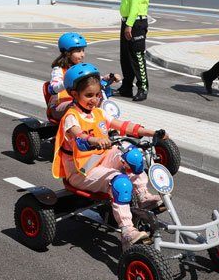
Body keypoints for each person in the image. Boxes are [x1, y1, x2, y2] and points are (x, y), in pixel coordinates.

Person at [52, 63, 166, 249]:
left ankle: (143, 196)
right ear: (73, 94)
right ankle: (128, 231)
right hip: (81, 171)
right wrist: (94, 140)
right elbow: (77, 135)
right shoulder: (71, 117)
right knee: (120, 183)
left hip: (101, 159)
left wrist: (152, 132)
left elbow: (123, 126)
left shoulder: (98, 112)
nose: (95, 100)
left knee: (133, 155)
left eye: (97, 95)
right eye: (88, 95)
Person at [118, 0, 151, 102]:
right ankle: (126, 87)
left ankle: (143, 87)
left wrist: (129, 24)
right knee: (125, 57)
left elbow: (136, 3)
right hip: (128, 22)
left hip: (136, 23)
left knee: (137, 57)